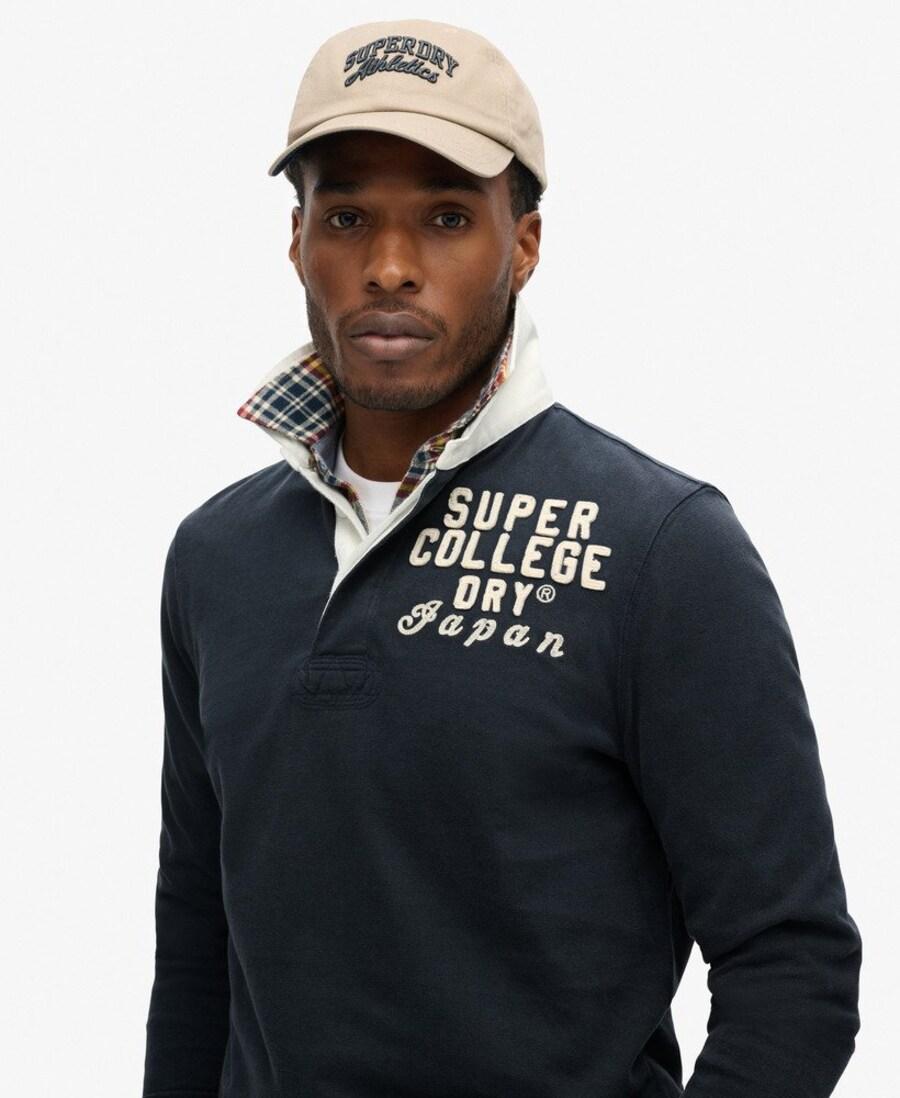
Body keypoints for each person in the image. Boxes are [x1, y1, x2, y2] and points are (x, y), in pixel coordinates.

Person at [141, 18, 862, 1098]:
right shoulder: (218, 557)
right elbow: (199, 935)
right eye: (347, 217)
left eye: (445, 218)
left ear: (522, 245)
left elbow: (793, 965)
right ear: (297, 242)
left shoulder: (660, 547)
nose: (389, 268)